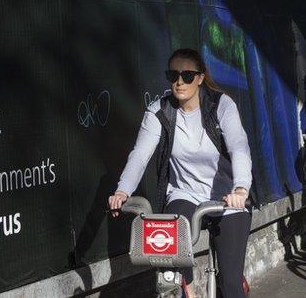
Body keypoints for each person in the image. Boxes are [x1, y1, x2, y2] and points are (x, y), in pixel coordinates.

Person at [108, 48, 252, 298]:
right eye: (173, 75)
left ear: (200, 77)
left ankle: (233, 283)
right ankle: (189, 290)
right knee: (172, 264)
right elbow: (140, 155)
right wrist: (123, 190)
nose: (179, 81)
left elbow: (239, 146)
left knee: (230, 285)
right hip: (185, 194)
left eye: (187, 75)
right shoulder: (160, 111)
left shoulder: (221, 105)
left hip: (227, 199)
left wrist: (240, 189)